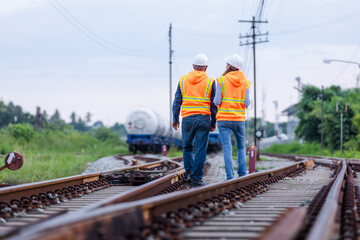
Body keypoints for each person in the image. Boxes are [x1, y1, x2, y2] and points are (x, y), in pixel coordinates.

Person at [172, 53, 217, 187]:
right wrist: (213, 122)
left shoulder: (183, 80)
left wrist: (175, 118)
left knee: (187, 147)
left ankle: (189, 174)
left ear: (193, 66)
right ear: (206, 68)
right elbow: (213, 105)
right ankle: (196, 179)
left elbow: (177, 101)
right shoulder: (210, 82)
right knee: (200, 149)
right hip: (203, 118)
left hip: (186, 118)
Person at [214, 54, 251, 180]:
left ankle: (230, 176)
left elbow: (217, 101)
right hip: (239, 120)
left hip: (223, 119)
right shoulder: (245, 82)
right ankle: (242, 174)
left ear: (230, 66)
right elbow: (246, 103)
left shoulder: (221, 80)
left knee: (227, 148)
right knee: (241, 147)